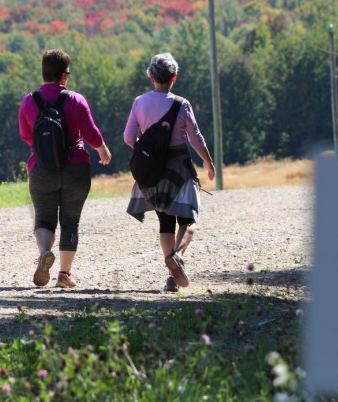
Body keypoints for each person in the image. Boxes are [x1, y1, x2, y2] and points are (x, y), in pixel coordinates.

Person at [19, 49, 112, 289]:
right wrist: (103, 150)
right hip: (75, 168)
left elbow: (25, 135)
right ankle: (64, 274)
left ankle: (45, 252)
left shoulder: (29, 101)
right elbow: (91, 133)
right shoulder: (76, 100)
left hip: (41, 169)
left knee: (44, 219)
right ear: (63, 75)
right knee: (70, 222)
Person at [124, 52, 215, 292]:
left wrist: (148, 151)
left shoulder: (139, 102)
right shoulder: (181, 104)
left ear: (151, 76)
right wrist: (208, 162)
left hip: (153, 172)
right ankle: (177, 259)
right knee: (188, 220)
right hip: (179, 168)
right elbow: (196, 139)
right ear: (174, 77)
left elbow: (128, 137)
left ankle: (171, 274)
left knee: (165, 223)